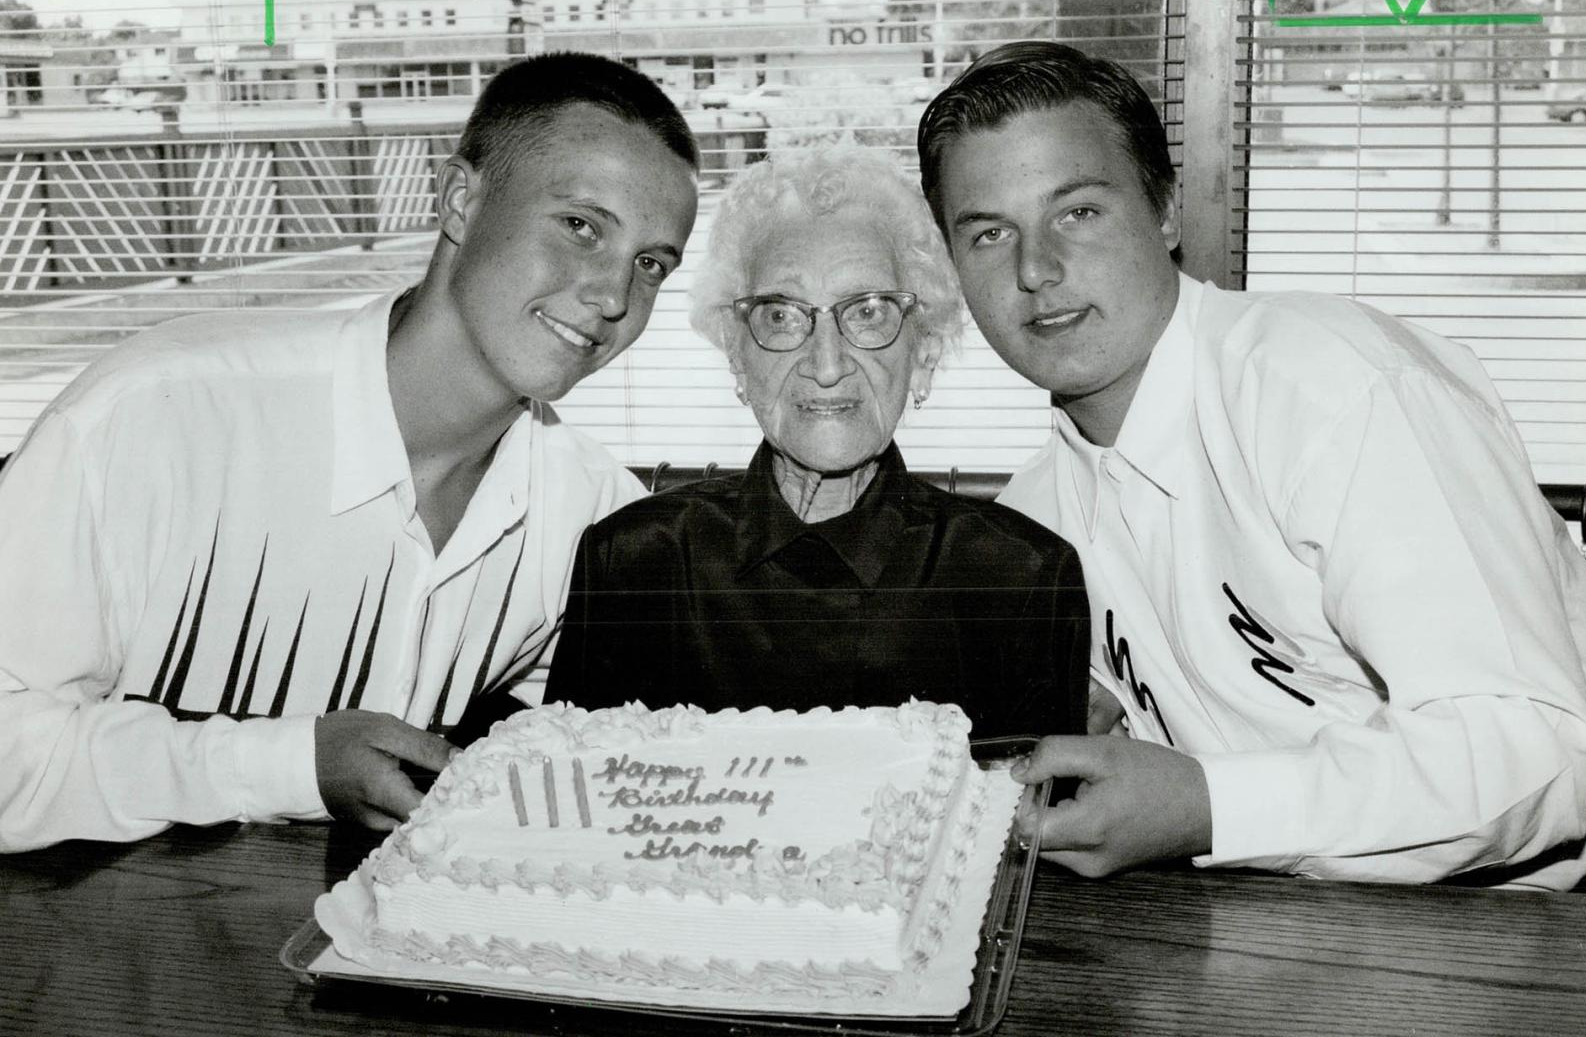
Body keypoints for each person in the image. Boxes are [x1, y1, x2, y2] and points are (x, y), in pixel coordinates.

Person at [917, 41, 1586, 888]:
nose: (1036, 270)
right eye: (989, 233)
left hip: (1550, 928)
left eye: (1077, 212)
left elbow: (1536, 758)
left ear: (1166, 211)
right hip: (1271, 926)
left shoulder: (1333, 387)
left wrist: (1209, 804)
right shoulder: (1038, 518)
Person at [0, 52, 699, 851]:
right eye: (580, 227)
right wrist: (295, 763)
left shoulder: (595, 515)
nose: (613, 296)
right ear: (461, 200)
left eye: (651, 265)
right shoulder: (160, 417)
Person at [540, 147, 1087, 739]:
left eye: (869, 312)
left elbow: (1034, 826)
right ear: (737, 355)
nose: (826, 365)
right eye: (781, 316)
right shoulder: (635, 563)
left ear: (923, 348)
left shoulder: (1019, 580)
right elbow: (570, 811)